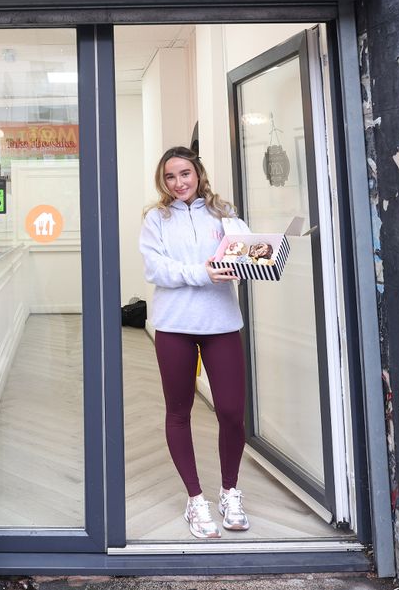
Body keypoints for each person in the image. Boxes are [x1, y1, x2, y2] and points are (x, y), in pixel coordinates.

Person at [139, 146, 251, 538]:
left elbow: (246, 255)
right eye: (170, 177)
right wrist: (203, 272)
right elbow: (157, 269)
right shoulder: (156, 219)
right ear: (163, 181)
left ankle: (230, 491)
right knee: (179, 411)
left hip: (220, 322)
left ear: (198, 173)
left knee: (233, 411)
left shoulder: (225, 213)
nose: (178, 183)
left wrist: (249, 254)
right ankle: (195, 499)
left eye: (185, 174)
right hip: (174, 326)